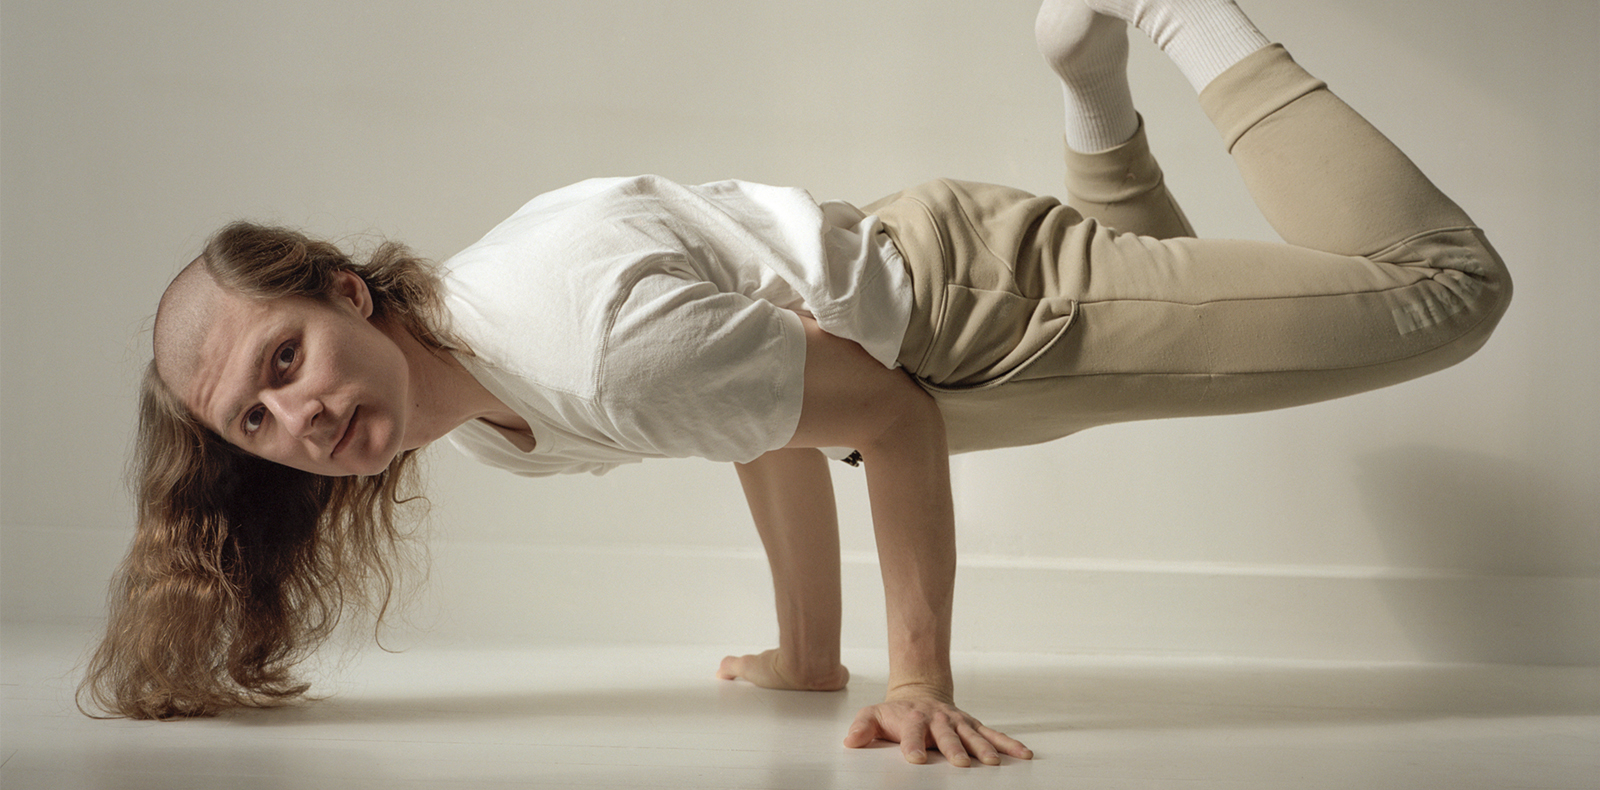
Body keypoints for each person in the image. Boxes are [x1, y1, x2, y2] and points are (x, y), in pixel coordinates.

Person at [80, 0, 1511, 769]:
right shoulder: (495, 413)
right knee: (1181, 337)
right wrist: (810, 653)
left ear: (345, 291)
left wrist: (919, 681)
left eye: (284, 359)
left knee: (1442, 290)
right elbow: (759, 420)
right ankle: (1094, 98)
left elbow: (885, 416)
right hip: (937, 326)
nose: (299, 418)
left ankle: (1175, 13)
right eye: (253, 420)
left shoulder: (573, 343)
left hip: (977, 310)